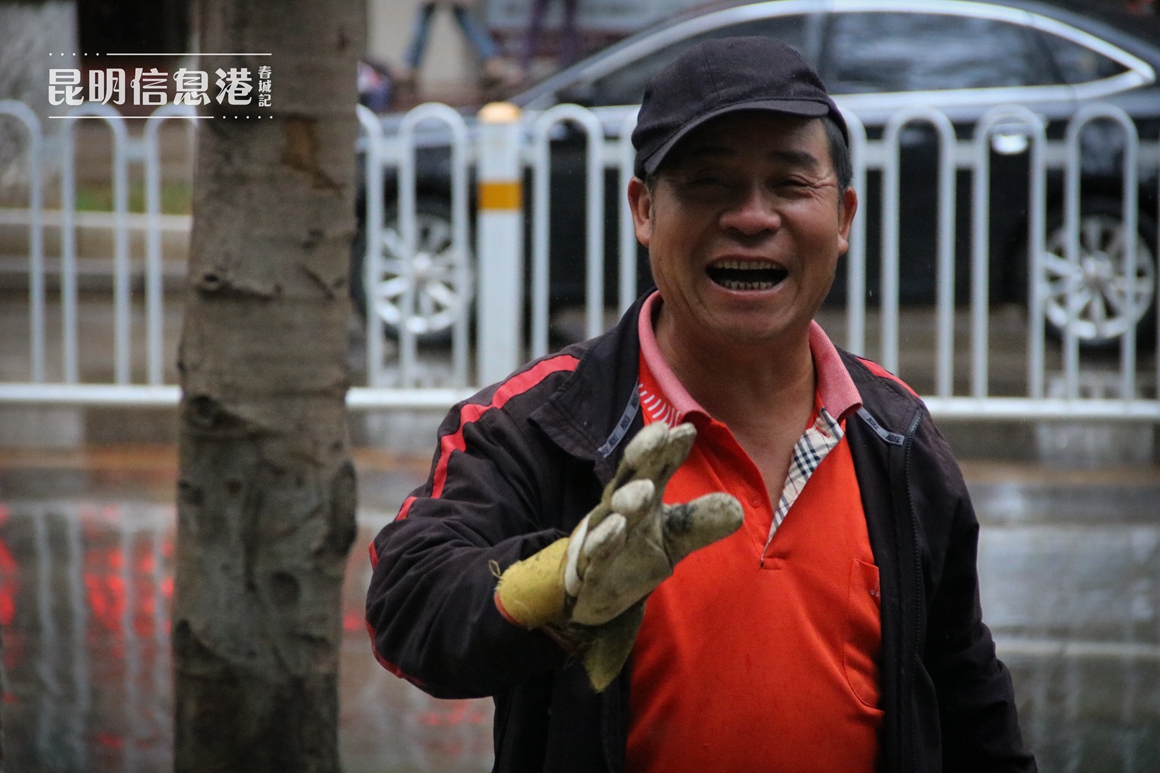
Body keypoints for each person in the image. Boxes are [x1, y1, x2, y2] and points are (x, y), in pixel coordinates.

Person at [366, 36, 1037, 773]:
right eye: (709, 184)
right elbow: (411, 602)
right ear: (644, 210)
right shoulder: (534, 424)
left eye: (790, 183)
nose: (751, 217)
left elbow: (967, 694)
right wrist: (555, 585)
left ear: (844, 216)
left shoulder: (894, 432)